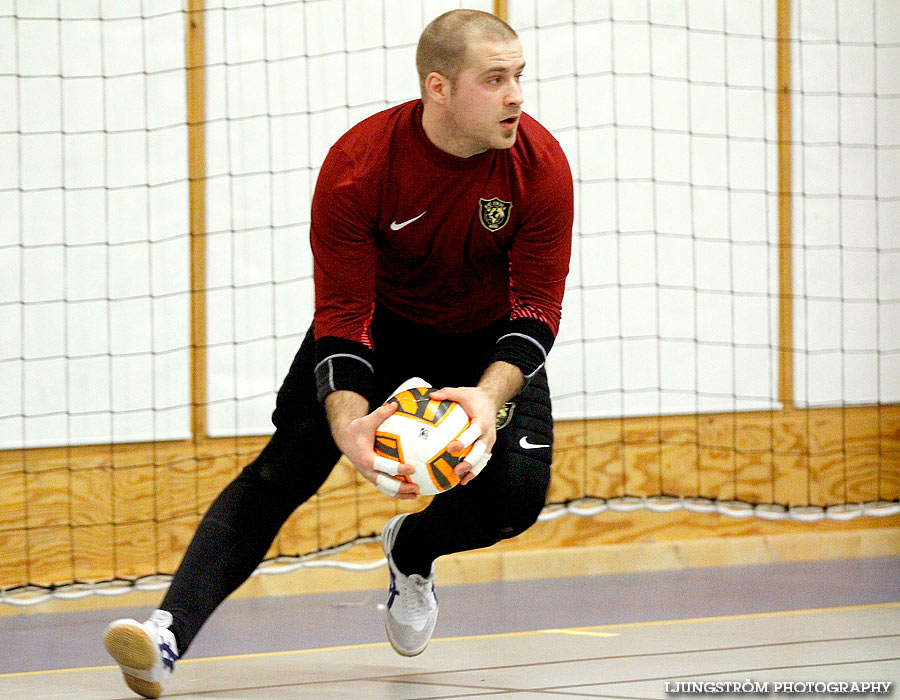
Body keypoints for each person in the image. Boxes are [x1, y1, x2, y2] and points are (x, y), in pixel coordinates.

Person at [103, 8, 573, 698]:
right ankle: (164, 635)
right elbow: (344, 316)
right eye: (495, 79)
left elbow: (537, 307)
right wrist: (348, 424)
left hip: (484, 338)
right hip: (381, 324)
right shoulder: (360, 167)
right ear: (438, 88)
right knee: (280, 475)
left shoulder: (541, 167)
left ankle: (412, 551)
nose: (516, 96)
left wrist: (484, 395)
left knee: (515, 502)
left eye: (519, 77)